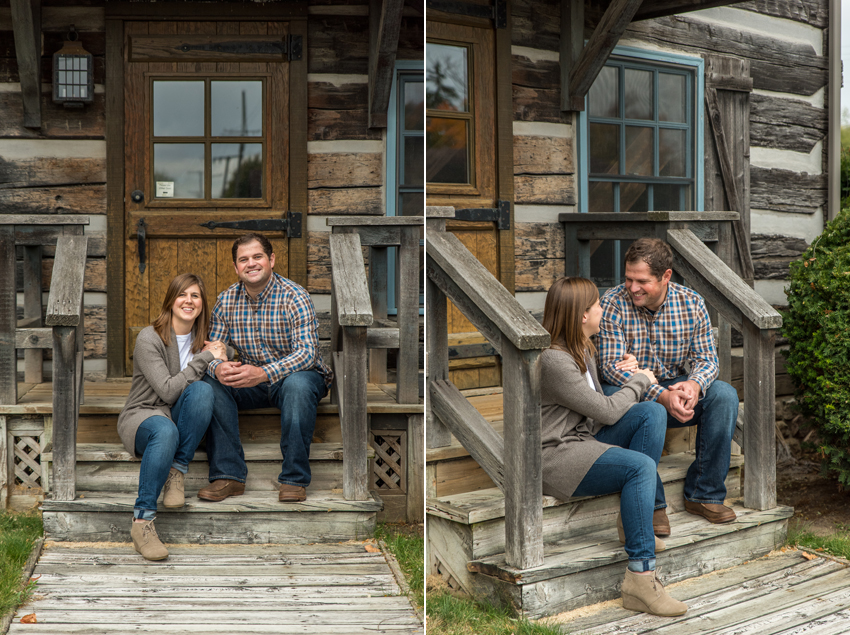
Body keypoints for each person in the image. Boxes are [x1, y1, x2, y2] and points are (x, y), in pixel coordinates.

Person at [541, 276, 687, 617]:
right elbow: (606, 410)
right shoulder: (554, 361)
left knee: (651, 412)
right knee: (640, 466)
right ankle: (640, 577)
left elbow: (598, 409)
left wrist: (629, 371)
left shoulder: (581, 348)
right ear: (581, 315)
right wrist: (641, 379)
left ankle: (631, 521)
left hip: (583, 439)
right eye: (596, 305)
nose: (602, 309)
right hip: (557, 456)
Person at [598, 237, 740, 529]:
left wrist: (694, 386)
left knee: (724, 395)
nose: (632, 287)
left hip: (674, 386)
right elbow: (611, 368)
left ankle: (705, 493)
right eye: (628, 278)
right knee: (651, 410)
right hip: (630, 393)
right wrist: (661, 395)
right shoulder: (612, 302)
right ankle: (649, 502)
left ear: (665, 277)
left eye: (642, 281)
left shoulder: (691, 303)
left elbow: (707, 360)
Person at [199, 233, 333, 504]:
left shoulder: (294, 295)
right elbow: (211, 349)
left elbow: (307, 354)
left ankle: (294, 479)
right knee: (208, 383)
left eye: (257, 256)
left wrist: (262, 373)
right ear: (236, 267)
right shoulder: (226, 301)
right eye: (243, 259)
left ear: (271, 259)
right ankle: (229, 476)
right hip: (252, 383)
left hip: (296, 377)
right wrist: (218, 368)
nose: (251, 264)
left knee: (298, 385)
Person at [118, 273, 228, 560]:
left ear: (202, 305)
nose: (188, 301)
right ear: (171, 300)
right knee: (165, 431)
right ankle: (142, 522)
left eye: (195, 296)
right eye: (183, 294)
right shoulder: (149, 338)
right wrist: (207, 358)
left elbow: (220, 357)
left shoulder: (199, 341)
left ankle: (176, 470)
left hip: (173, 416)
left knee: (203, 391)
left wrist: (222, 352)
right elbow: (167, 392)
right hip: (143, 415)